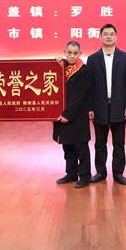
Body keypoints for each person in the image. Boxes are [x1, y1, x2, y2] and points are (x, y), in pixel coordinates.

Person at [85, 23, 126, 185]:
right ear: (100, 37)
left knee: (119, 143)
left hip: (119, 107)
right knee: (100, 143)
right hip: (99, 107)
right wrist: (89, 107)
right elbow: (89, 86)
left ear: (116, 36)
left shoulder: (124, 57)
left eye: (111, 34)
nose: (108, 36)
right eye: (105, 34)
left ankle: (118, 173)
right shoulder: (92, 59)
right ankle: (100, 172)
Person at [53, 41, 93, 189]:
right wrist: (55, 64)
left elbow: (78, 96)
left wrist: (67, 114)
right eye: (69, 52)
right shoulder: (61, 67)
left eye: (75, 53)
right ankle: (71, 174)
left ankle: (85, 176)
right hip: (62, 115)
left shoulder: (84, 70)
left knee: (81, 147)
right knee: (67, 146)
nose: (72, 56)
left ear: (80, 54)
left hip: (77, 115)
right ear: (65, 52)